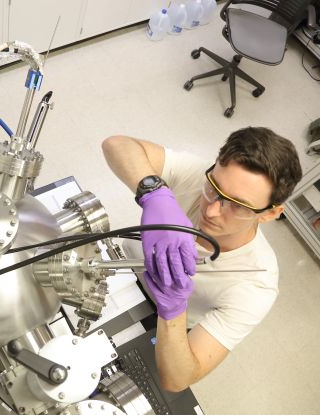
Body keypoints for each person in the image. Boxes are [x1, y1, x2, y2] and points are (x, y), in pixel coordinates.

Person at [102, 127, 302, 392]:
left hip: (161, 319)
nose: (212, 209)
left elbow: (178, 379)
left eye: (238, 205)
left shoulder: (256, 285)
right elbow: (116, 144)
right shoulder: (199, 177)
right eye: (215, 187)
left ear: (270, 213)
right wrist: (154, 192)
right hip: (120, 264)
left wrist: (173, 309)